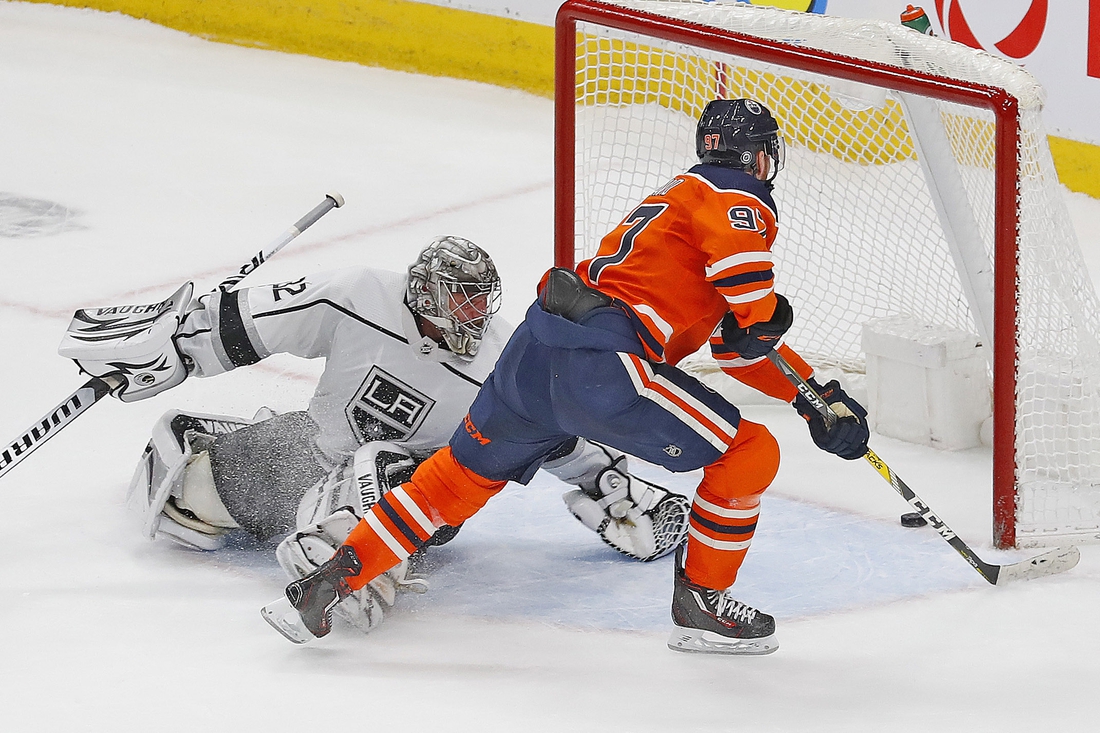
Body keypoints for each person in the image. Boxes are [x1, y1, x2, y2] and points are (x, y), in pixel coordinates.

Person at [271, 99, 871, 655]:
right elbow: (748, 291)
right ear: (760, 155)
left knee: (448, 484)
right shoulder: (733, 189)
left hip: (535, 353)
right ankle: (702, 606)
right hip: (606, 363)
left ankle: (331, 581)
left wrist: (813, 395)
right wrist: (766, 318)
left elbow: (738, 348)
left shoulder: (677, 207)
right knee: (748, 453)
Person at [111, 236, 688, 633]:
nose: (478, 312)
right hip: (310, 457)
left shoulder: (502, 363)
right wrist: (177, 345)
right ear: (426, 290)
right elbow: (250, 321)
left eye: (485, 298)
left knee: (380, 466)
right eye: (464, 297)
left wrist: (615, 492)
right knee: (198, 496)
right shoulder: (359, 295)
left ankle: (355, 570)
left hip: (417, 500)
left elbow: (558, 437)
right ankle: (306, 534)